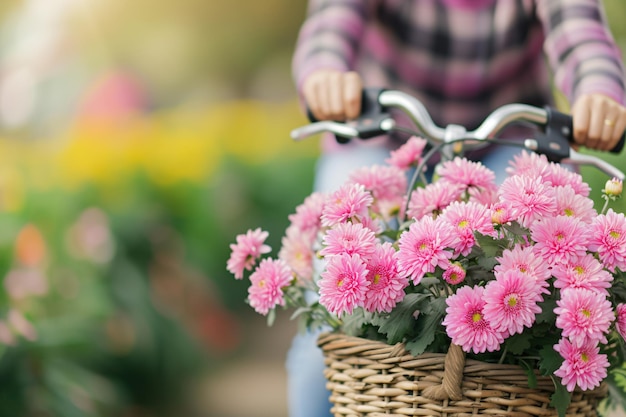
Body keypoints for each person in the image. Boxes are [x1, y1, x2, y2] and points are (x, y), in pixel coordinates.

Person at [286, 2, 626, 417]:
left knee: (526, 281)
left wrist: (598, 94)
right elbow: (333, 18)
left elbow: (579, 34)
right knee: (332, 304)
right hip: (380, 128)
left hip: (508, 138)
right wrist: (324, 74)